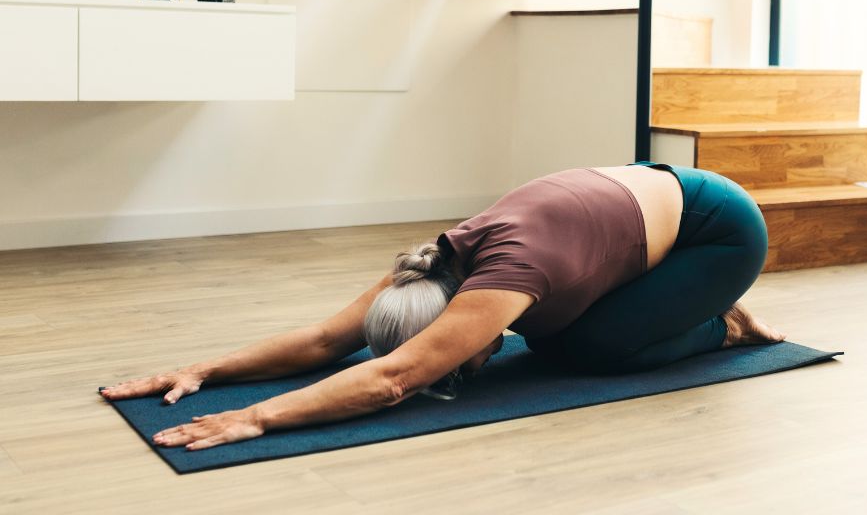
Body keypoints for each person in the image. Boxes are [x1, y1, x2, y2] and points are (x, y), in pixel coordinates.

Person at [101, 163, 785, 452]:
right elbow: (321, 340)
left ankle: (720, 319)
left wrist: (257, 417)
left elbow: (392, 378)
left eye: (455, 362)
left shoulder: (505, 277)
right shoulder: (425, 269)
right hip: (622, 217)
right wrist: (205, 371)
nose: (465, 368)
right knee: (555, 329)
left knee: (580, 348)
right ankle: (669, 302)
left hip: (716, 230)